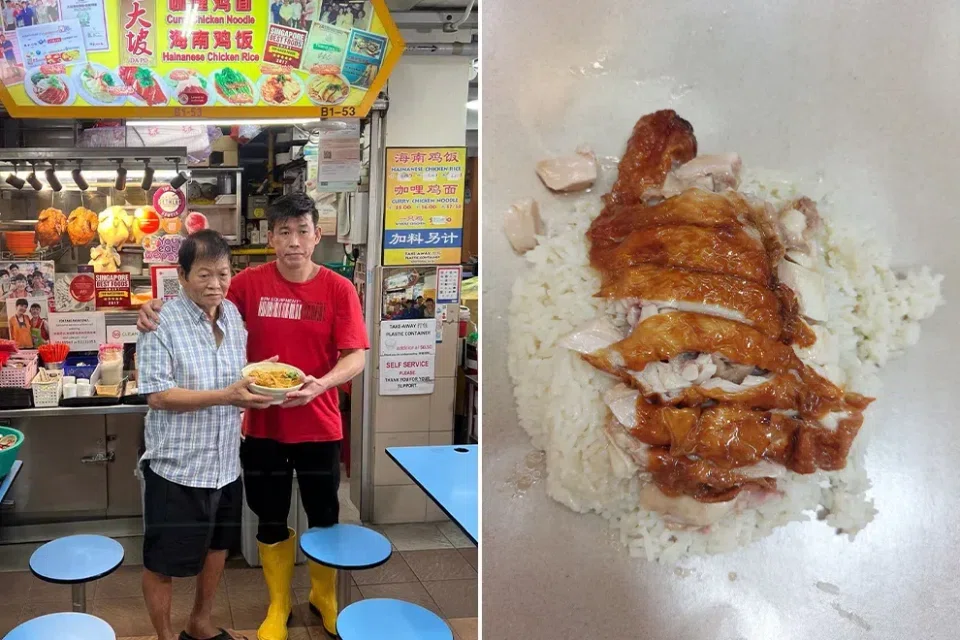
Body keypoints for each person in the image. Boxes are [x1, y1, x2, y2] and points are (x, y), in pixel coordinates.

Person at [138, 193, 369, 639]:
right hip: (259, 426)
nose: (294, 241)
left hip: (319, 423)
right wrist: (150, 306)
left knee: (324, 514)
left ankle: (325, 596)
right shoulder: (245, 283)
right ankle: (278, 604)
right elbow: (199, 299)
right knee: (269, 515)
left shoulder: (338, 288)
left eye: (303, 231)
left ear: (318, 235)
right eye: (284, 232)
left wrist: (321, 384)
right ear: (271, 239)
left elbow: (355, 355)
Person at [137, 230, 274, 640]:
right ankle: (165, 637)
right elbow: (158, 395)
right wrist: (227, 395)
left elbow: (239, 378)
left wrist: (263, 384)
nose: (215, 284)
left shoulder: (232, 315)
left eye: (223, 273)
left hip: (225, 463)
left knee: (217, 549)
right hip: (177, 467)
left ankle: (199, 623)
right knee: (163, 564)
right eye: (204, 275)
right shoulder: (160, 322)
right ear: (181, 276)